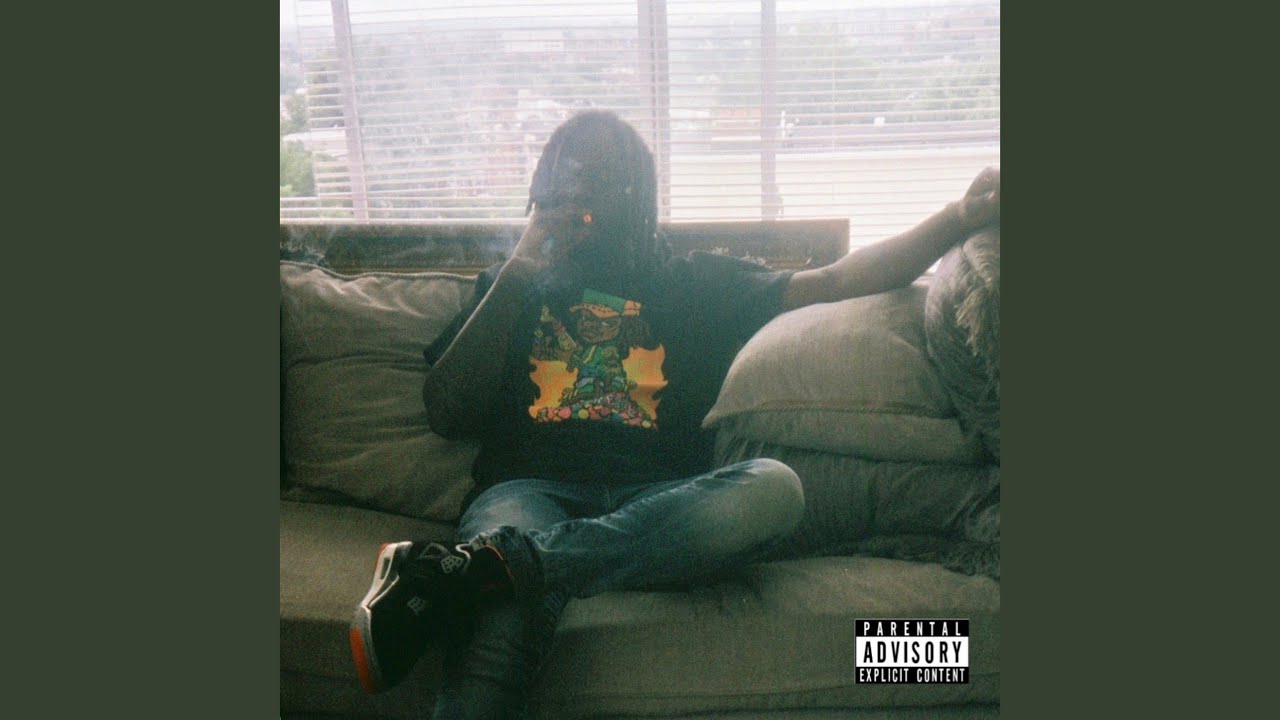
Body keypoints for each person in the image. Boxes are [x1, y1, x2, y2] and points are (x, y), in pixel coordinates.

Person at [348, 109, 1000, 719]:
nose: (581, 195)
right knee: (499, 615)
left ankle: (490, 568)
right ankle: (502, 566)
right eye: (567, 178)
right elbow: (447, 412)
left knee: (774, 489)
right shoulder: (508, 287)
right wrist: (518, 272)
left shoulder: (694, 284)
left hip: (660, 502)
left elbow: (836, 280)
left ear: (640, 195)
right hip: (527, 490)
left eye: (602, 179)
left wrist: (957, 217)